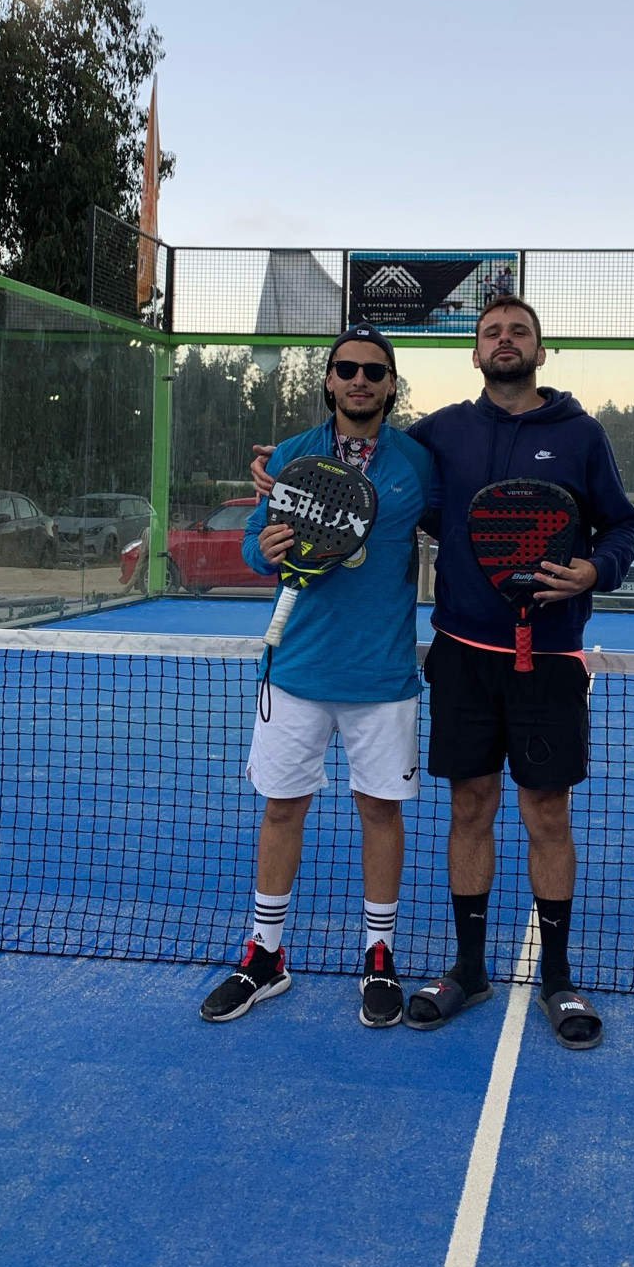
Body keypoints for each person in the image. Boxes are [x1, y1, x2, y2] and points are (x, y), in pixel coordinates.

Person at [251, 295, 634, 1047]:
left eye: (518, 331)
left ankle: (558, 978)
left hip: (550, 654)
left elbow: (620, 524)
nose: (504, 340)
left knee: (547, 813)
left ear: (540, 350)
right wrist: (279, 471)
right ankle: (469, 969)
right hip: (461, 652)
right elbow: (356, 460)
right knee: (469, 808)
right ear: (475, 351)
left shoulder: (582, 434)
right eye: (492, 332)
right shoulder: (443, 434)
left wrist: (598, 569)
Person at [201, 323, 431, 1029]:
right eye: (347, 368)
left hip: (382, 676)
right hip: (295, 671)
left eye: (374, 370)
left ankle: (379, 955)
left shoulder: (418, 464)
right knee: (281, 809)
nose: (360, 380)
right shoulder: (291, 456)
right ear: (329, 380)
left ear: (391, 385)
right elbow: (254, 543)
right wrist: (265, 547)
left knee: (380, 813)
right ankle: (265, 955)